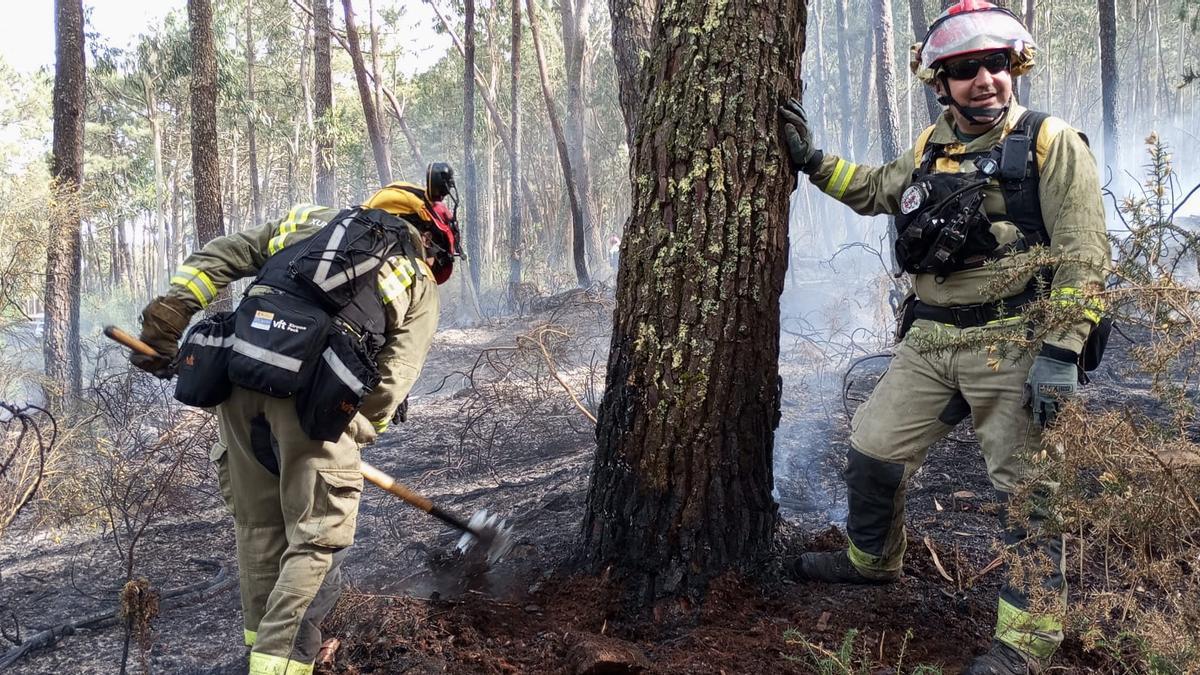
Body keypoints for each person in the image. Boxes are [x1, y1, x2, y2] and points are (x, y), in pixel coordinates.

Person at [778, 2, 1109, 672]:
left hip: (1013, 343)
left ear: (1014, 67)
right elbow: (875, 189)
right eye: (965, 70)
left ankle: (1028, 640)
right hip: (931, 341)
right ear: (941, 82)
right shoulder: (934, 147)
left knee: (1028, 493)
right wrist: (812, 161)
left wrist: (1061, 351)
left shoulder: (1050, 142)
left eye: (995, 64)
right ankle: (872, 559)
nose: (984, 79)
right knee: (873, 448)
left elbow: (1084, 255)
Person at [131, 165, 461, 675]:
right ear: (432, 239)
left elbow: (223, 254)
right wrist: (355, 431)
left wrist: (173, 311)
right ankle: (281, 664)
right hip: (314, 408)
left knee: (259, 528)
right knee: (316, 539)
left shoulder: (310, 220)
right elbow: (394, 379)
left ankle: (257, 651)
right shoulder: (417, 277)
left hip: (236, 381)